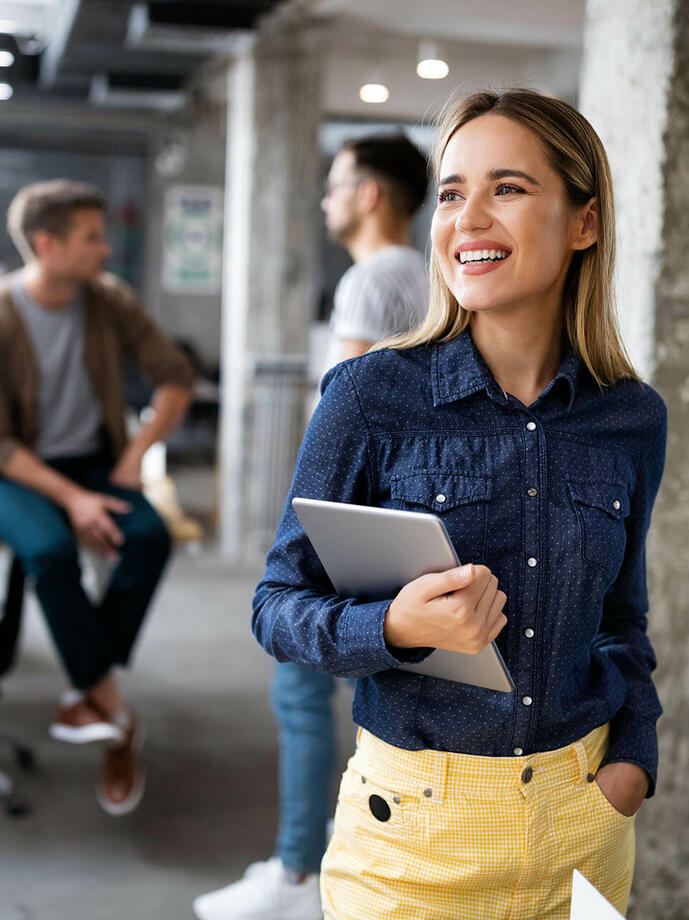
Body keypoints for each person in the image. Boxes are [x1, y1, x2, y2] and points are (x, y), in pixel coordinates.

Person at [250, 88, 667, 919]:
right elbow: (275, 607)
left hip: (582, 824)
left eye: (507, 189)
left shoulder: (631, 417)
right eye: (451, 193)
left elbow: (623, 620)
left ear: (584, 222)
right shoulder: (369, 397)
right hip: (412, 835)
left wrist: (635, 763)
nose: (467, 217)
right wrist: (396, 629)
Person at [193, 134, 429, 920]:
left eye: (335, 185)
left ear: (371, 194)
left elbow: (341, 416)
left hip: (354, 515)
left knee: (300, 684)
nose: (325, 199)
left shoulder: (371, 281)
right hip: (404, 509)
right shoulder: (424, 278)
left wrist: (305, 522)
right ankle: (334, 861)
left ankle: (300, 871)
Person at [0, 179, 194, 816]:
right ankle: (112, 711)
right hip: (6, 470)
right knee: (51, 549)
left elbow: (174, 377)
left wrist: (133, 456)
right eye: (91, 238)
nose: (105, 250)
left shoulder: (107, 300)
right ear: (45, 243)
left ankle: (88, 686)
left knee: (149, 536)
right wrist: (73, 500)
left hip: (95, 460)